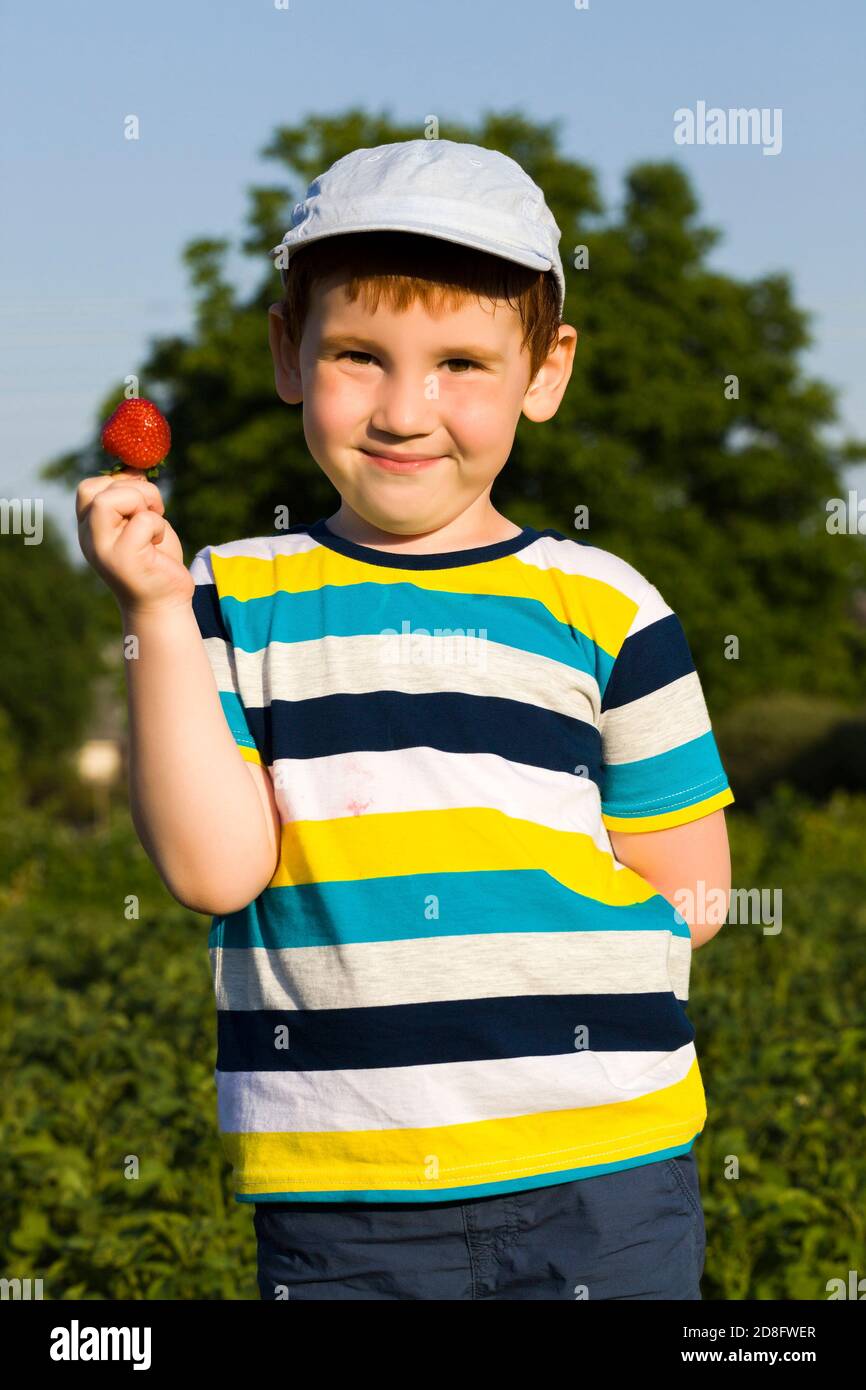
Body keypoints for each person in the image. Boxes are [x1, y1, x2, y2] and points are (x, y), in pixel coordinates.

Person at [77, 137, 733, 1300]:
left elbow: (693, 893)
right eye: (358, 354)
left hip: (607, 1167)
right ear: (288, 351)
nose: (402, 408)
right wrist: (157, 612)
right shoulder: (227, 598)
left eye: (461, 364)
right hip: (347, 1190)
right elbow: (214, 869)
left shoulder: (610, 604)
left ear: (545, 370)